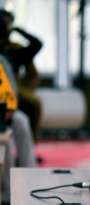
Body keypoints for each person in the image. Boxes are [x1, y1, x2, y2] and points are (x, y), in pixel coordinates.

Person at [0, 10, 42, 143]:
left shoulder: (15, 49)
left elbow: (37, 44)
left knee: (32, 105)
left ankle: (32, 144)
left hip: (12, 89)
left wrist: (17, 29)